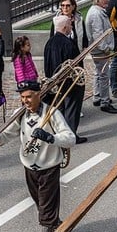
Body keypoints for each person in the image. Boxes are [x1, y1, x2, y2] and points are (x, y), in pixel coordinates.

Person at [0, 81, 77, 232]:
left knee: (46, 205)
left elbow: (70, 139)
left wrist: (50, 137)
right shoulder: (21, 114)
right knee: (41, 202)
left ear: (38, 94)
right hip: (29, 166)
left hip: (48, 166)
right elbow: (7, 134)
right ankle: (54, 223)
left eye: (29, 96)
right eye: (22, 97)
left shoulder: (51, 113)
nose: (25, 100)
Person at [43, 14, 87, 144]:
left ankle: (60, 133)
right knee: (72, 109)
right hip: (69, 82)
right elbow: (74, 66)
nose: (71, 26)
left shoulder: (49, 43)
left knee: (60, 109)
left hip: (55, 83)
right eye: (69, 25)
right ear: (64, 27)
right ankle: (70, 135)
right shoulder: (68, 44)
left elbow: (47, 64)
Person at [86, 0, 117, 114]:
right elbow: (98, 34)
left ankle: (97, 96)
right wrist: (105, 48)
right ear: (98, 1)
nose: (107, 0)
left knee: (98, 72)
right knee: (104, 75)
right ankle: (104, 101)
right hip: (99, 50)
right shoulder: (96, 14)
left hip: (98, 49)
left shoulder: (97, 11)